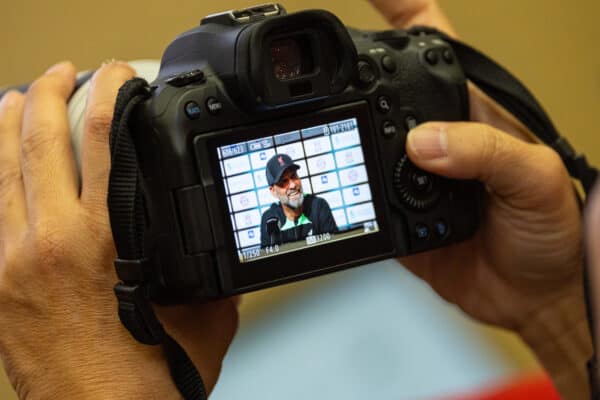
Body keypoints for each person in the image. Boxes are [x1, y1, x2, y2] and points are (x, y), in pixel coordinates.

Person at [0, 1, 594, 399]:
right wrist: (561, 315)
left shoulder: (326, 213)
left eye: (293, 178)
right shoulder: (262, 220)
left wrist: (87, 388)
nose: (289, 186)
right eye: (279, 180)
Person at [260, 154, 337, 248]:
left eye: (293, 176)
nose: (292, 185)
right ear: (273, 191)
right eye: (284, 181)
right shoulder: (270, 219)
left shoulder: (318, 206)